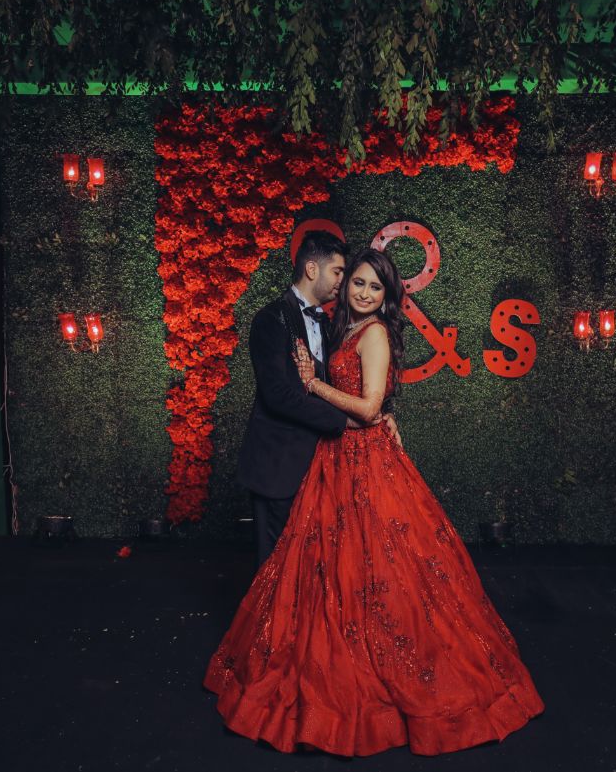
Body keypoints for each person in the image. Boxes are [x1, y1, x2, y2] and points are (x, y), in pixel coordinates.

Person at [205, 248, 545, 756]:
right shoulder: (331, 326)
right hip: (328, 460)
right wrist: (376, 409)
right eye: (355, 281)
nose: (362, 291)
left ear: (387, 296)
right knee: (327, 570)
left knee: (384, 568)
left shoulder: (376, 332)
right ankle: (305, 657)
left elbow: (365, 406)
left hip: (365, 462)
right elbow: (349, 400)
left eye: (373, 286)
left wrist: (320, 387)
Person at [236, 230, 398, 571]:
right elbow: (278, 396)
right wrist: (346, 421)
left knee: (312, 570)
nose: (343, 281)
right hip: (279, 468)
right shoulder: (271, 319)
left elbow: (349, 382)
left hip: (322, 467)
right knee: (275, 570)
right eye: (338, 272)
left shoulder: (330, 324)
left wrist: (381, 412)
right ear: (312, 269)